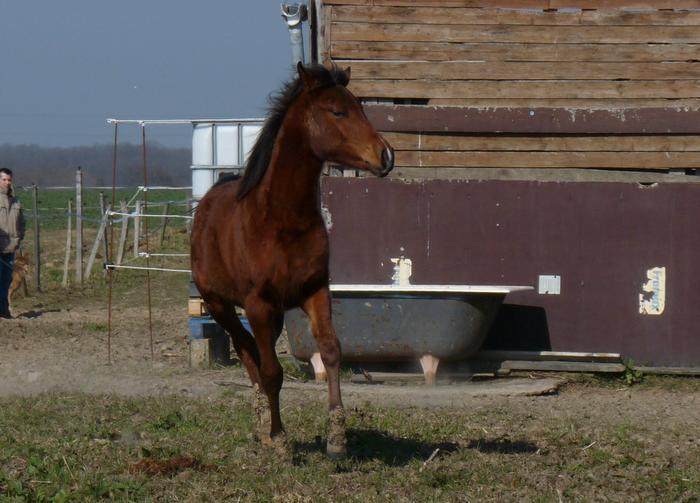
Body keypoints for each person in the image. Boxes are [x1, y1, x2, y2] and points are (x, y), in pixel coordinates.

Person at [0, 168, 25, 318]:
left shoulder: (15, 202)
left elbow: (21, 223)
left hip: (10, 249)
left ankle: (3, 311)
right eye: (4, 179)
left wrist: (19, 237)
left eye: (9, 180)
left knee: (5, 281)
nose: (7, 183)